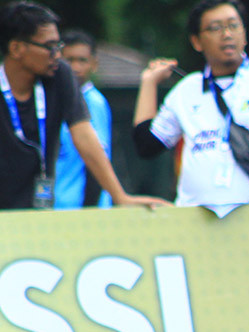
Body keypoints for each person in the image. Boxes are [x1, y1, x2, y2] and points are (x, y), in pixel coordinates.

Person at [132, 0, 249, 214]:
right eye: (215, 28)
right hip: (193, 217)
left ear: (244, 34)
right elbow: (146, 145)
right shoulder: (185, 90)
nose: (227, 34)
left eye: (234, 25)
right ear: (196, 41)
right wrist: (148, 83)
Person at [0, 1, 167, 210]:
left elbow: (84, 134)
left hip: (40, 208)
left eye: (58, 46)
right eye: (49, 47)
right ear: (16, 48)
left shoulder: (60, 75)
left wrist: (120, 196)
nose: (57, 55)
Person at [54, 29, 110, 209]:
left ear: (94, 64)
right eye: (69, 60)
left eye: (82, 60)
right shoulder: (57, 98)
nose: (75, 67)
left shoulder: (93, 102)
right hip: (57, 206)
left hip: (82, 210)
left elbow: (96, 158)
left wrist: (88, 211)